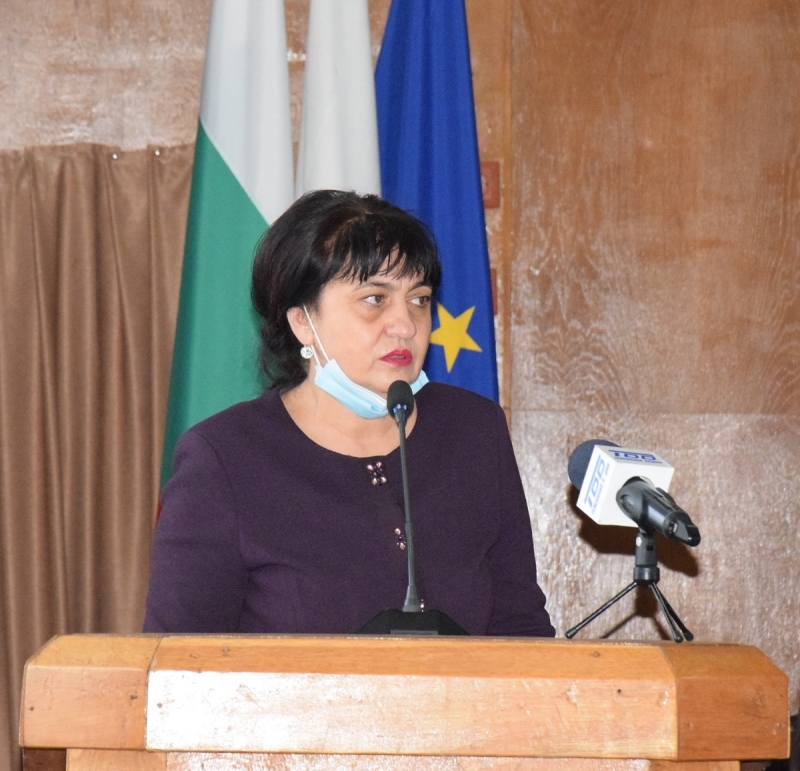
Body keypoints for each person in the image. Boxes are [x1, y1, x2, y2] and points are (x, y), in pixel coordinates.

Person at [143, 190, 554, 637]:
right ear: (303, 321)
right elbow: (178, 658)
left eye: (419, 299)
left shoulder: (474, 432)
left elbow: (521, 629)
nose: (406, 325)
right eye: (375, 298)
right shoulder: (225, 458)